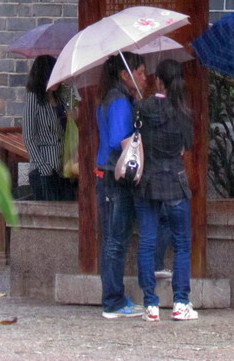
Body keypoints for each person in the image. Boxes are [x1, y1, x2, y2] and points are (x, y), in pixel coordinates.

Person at [134, 59, 199, 322]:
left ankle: (150, 304)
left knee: (146, 242)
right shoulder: (183, 110)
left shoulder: (142, 106)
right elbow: (187, 146)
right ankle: (181, 302)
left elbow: (136, 139)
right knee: (183, 244)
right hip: (174, 180)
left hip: (147, 181)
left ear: (158, 80)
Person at [96, 51, 146, 319]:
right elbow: (118, 139)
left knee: (113, 239)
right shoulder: (118, 102)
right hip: (113, 177)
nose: (144, 78)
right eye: (140, 72)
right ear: (125, 75)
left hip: (106, 175)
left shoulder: (114, 98)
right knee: (115, 240)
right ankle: (113, 301)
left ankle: (114, 297)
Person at [22, 55, 74, 201]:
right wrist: (43, 166)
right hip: (44, 168)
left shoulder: (60, 99)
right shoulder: (34, 98)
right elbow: (28, 137)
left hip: (62, 168)